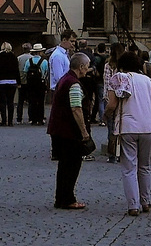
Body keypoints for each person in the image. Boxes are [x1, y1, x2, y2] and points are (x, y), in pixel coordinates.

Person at [106, 50, 151, 216]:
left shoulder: (117, 79)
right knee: (145, 166)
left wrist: (107, 116)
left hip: (128, 127)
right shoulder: (148, 81)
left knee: (129, 167)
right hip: (149, 127)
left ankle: (133, 205)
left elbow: (111, 104)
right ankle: (146, 202)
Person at [47, 51, 92, 210]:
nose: (87, 70)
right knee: (71, 165)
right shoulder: (73, 83)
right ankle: (67, 198)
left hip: (59, 128)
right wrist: (84, 132)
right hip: (68, 131)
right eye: (87, 67)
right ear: (81, 67)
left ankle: (62, 197)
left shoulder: (64, 79)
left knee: (64, 166)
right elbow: (76, 109)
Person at [0, 42, 20, 126]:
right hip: (12, 81)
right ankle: (10, 121)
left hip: (1, 81)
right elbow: (16, 70)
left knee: (2, 102)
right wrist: (18, 82)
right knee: (10, 102)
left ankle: (4, 120)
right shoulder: (13, 57)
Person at [48, 32, 74, 117]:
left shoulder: (64, 54)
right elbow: (59, 77)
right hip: (60, 89)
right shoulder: (58, 56)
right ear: (64, 40)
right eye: (71, 41)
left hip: (64, 88)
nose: (73, 44)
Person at [24, 44, 49, 125]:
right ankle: (40, 118)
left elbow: (25, 71)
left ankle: (32, 118)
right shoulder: (44, 61)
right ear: (40, 52)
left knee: (32, 101)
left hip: (31, 83)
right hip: (41, 83)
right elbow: (46, 72)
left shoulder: (29, 61)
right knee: (41, 101)